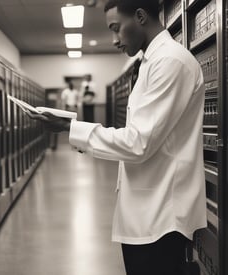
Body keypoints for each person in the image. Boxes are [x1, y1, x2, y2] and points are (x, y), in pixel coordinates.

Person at [27, 0, 207, 274]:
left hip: (162, 218)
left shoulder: (171, 62)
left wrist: (69, 127)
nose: (114, 40)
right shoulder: (149, 62)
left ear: (140, 16)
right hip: (146, 213)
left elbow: (138, 143)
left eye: (116, 28)